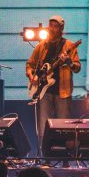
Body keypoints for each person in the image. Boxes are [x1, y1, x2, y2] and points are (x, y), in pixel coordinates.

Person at [26, 16, 81, 151]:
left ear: (61, 28)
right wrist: (32, 76)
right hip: (44, 92)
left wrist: (68, 62)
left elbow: (77, 67)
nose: (51, 28)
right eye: (50, 25)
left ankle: (64, 159)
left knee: (64, 127)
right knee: (43, 126)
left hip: (63, 91)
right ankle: (45, 157)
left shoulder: (69, 45)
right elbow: (30, 64)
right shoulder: (42, 45)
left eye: (55, 26)